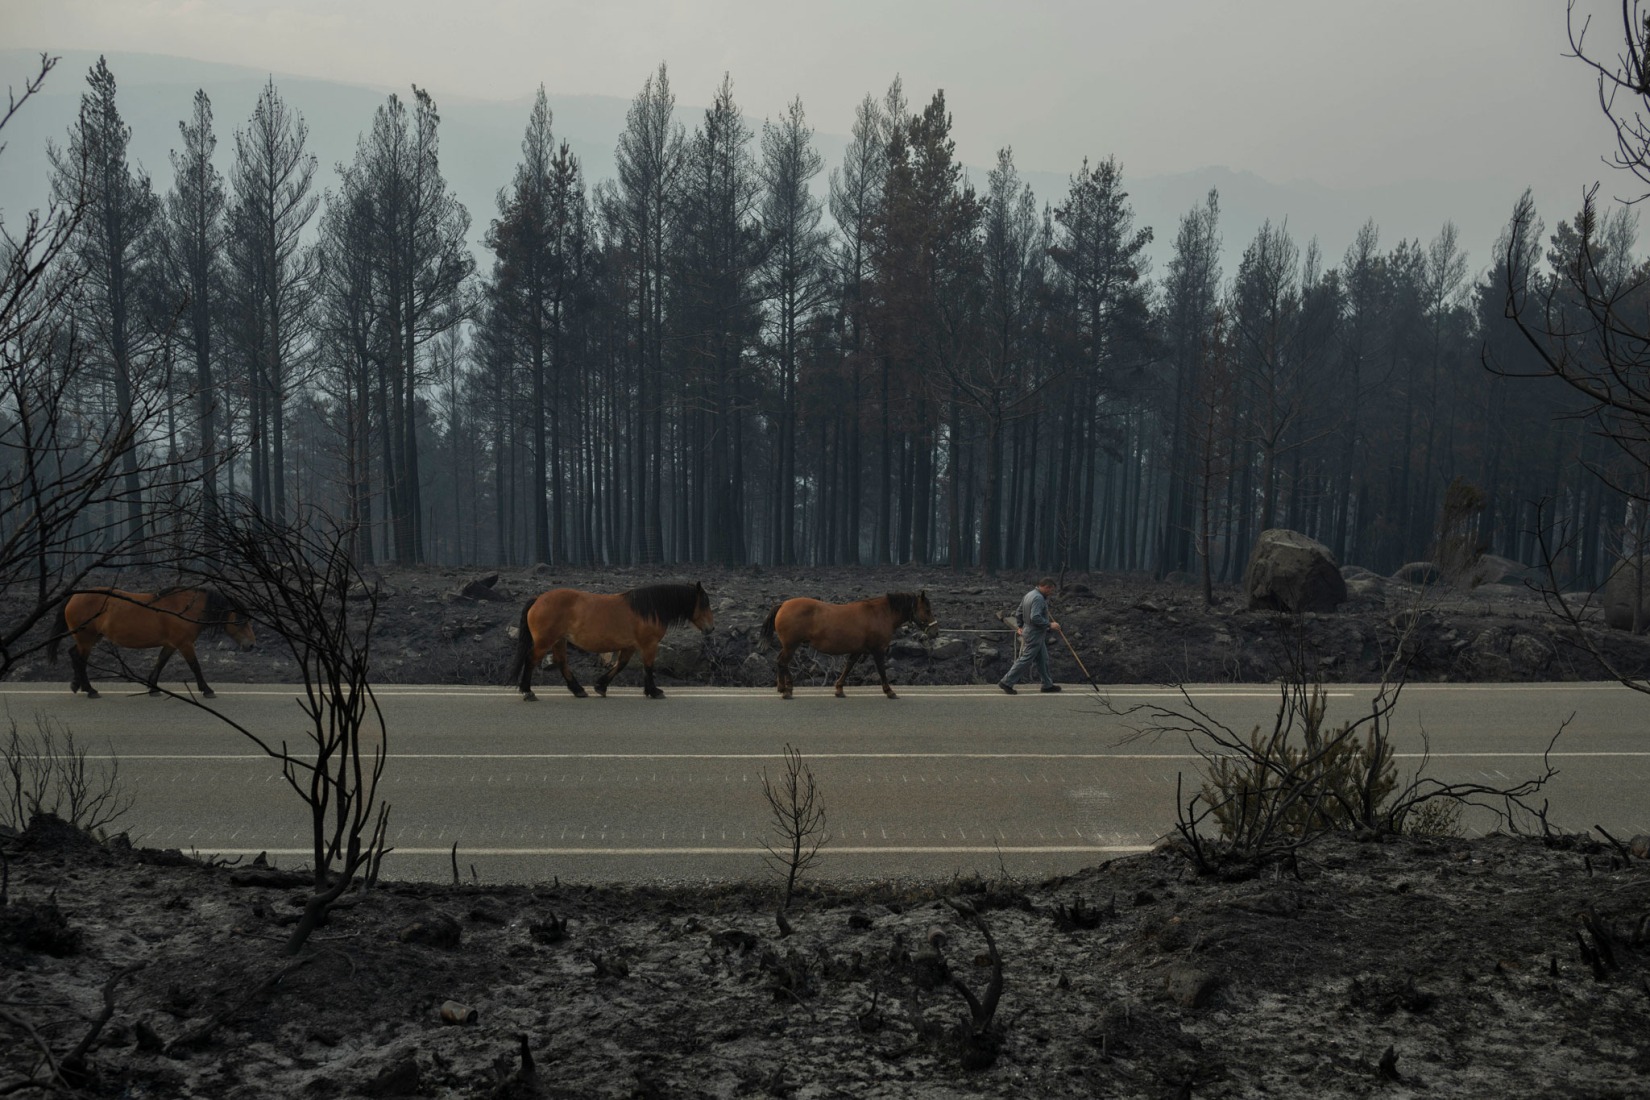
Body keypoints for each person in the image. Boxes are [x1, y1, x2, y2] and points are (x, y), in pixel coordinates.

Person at [998, 578, 1061, 694]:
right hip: (1034, 633)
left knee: (1043, 659)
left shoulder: (1029, 594)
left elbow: (1019, 612)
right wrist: (1050, 624)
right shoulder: (1038, 598)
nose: (1051, 592)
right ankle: (1006, 682)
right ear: (1046, 587)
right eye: (1051, 590)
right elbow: (1035, 617)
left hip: (1030, 631)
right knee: (1026, 659)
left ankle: (1047, 684)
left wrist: (1020, 626)